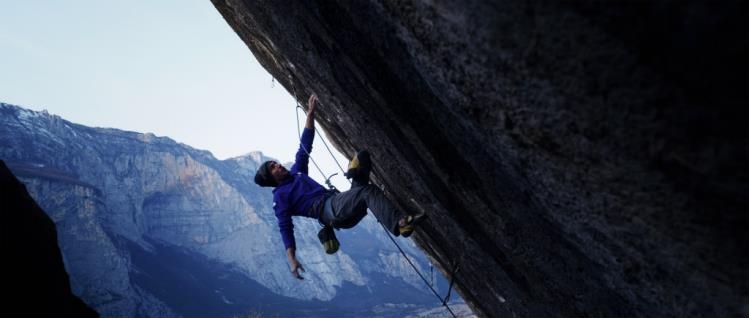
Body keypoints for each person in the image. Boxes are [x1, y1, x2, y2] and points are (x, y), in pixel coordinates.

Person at [253, 93, 425, 280]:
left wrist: (310, 115)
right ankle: (400, 223)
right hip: (330, 211)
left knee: (363, 157)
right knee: (368, 192)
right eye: (273, 167)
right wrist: (292, 259)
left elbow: (304, 146)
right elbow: (285, 228)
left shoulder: (296, 172)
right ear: (272, 178)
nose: (278, 165)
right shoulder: (280, 197)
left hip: (337, 202)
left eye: (275, 163)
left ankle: (354, 172)